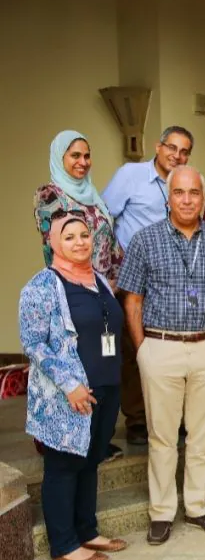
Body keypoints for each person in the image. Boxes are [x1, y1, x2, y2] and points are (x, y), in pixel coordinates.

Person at [118, 165, 205, 545]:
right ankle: (162, 511)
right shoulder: (145, 239)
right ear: (168, 197)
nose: (187, 200)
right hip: (161, 347)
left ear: (203, 198)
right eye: (179, 192)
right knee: (163, 437)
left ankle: (199, 506)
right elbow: (132, 300)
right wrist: (143, 351)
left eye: (194, 193)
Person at [20, 211, 127, 560]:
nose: (80, 242)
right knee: (64, 465)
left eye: (84, 235)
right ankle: (65, 544)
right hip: (68, 394)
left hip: (106, 386)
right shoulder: (41, 285)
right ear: (52, 243)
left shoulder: (98, 279)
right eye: (69, 237)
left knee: (91, 460)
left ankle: (87, 530)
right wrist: (70, 385)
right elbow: (34, 344)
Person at [34, 130, 125, 462]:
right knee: (79, 365)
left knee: (102, 367)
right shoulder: (50, 196)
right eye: (75, 155)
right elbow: (54, 249)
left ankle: (97, 437)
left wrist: (114, 285)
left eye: (87, 155)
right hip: (71, 294)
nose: (82, 162)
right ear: (60, 158)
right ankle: (69, 443)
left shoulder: (92, 195)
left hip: (102, 292)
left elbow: (111, 246)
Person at [102, 125, 194, 448]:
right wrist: (114, 265)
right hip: (133, 279)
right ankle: (138, 420)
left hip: (171, 281)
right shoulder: (131, 175)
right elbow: (103, 220)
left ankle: (172, 417)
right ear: (158, 146)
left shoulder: (183, 184)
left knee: (167, 350)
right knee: (133, 349)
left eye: (184, 151)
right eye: (172, 148)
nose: (177, 156)